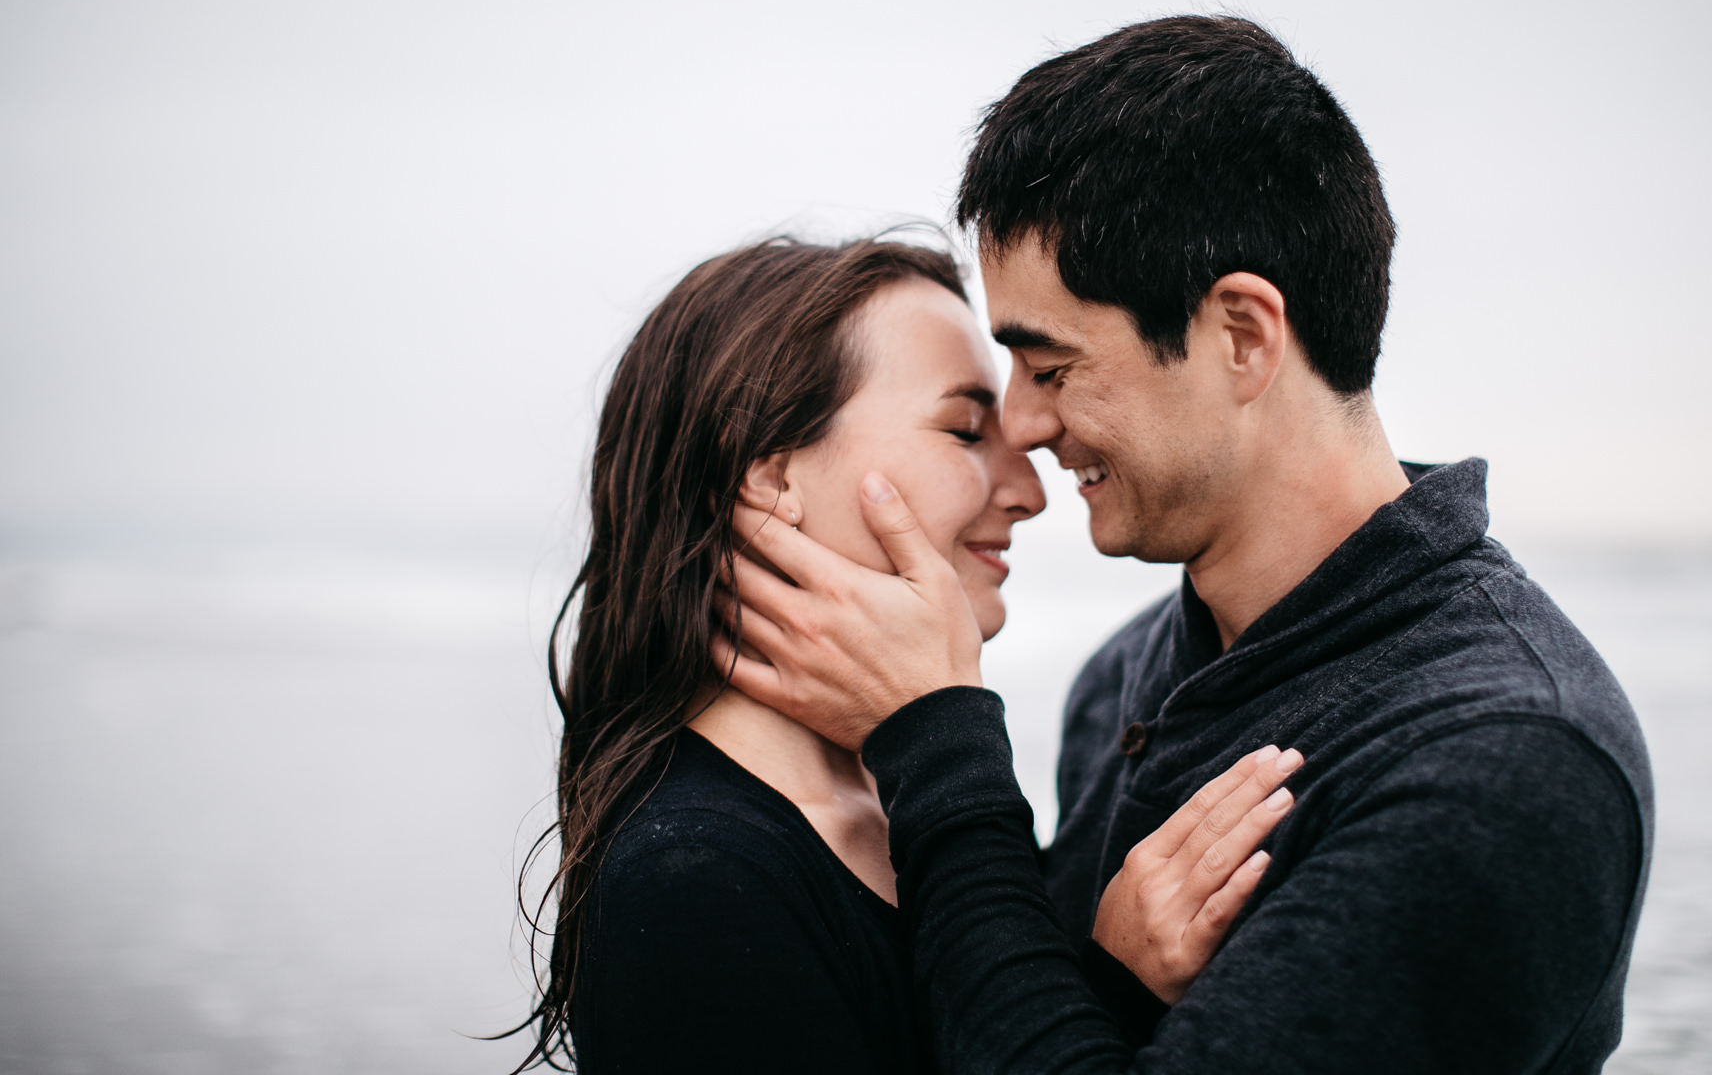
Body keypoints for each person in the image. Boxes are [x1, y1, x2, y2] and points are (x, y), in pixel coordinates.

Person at [723, 16, 1655, 1073]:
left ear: (1242, 336)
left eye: (1054, 366)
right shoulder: (1123, 679)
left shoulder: (1504, 762)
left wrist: (939, 745)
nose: (1022, 427)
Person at [511, 237, 1301, 1074]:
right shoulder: (695, 878)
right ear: (770, 475)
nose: (1030, 491)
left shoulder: (902, 812)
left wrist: (1105, 987)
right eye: (964, 431)